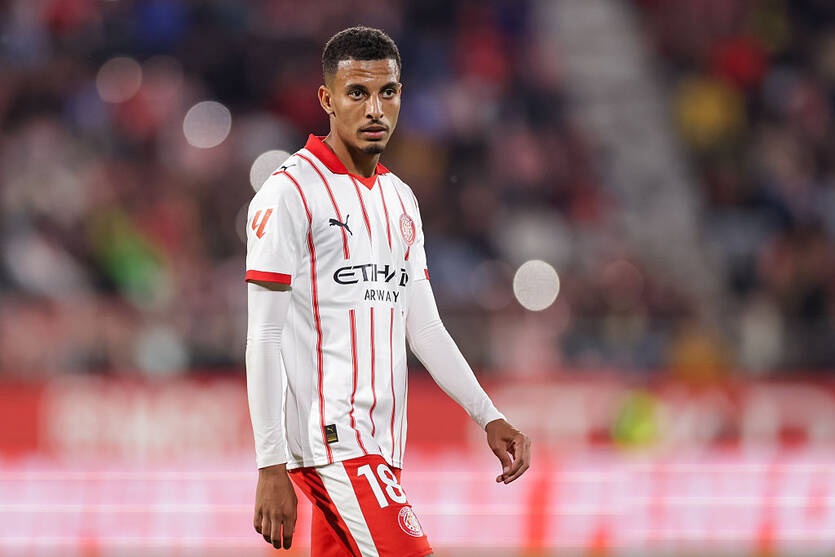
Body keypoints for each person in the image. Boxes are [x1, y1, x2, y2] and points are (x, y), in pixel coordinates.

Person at [245, 26, 531, 556]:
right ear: (327, 99)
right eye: (357, 93)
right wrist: (270, 464)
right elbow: (263, 335)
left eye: (388, 92)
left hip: (383, 446)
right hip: (334, 444)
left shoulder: (400, 199)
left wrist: (488, 415)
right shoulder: (289, 193)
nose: (375, 109)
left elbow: (424, 328)